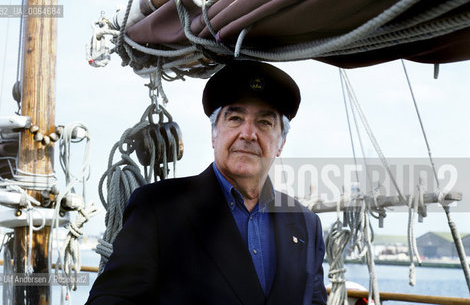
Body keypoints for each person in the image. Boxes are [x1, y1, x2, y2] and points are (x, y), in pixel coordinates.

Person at [86, 61, 327, 305]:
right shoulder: (158, 209)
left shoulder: (306, 225)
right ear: (214, 134)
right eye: (235, 118)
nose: (248, 134)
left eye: (265, 123)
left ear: (281, 143)